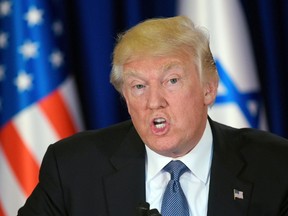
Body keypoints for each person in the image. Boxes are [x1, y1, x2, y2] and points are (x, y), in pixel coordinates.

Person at [18, 16, 288, 216]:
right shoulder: (73, 168)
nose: (154, 102)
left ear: (209, 88)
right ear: (125, 97)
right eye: (138, 86)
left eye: (171, 80)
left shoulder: (276, 166)